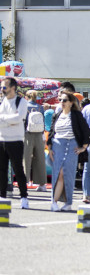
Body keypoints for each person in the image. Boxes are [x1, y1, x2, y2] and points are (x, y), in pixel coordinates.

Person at [47, 90, 90, 211]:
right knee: (58, 174)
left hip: (72, 146)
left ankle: (68, 202)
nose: (61, 102)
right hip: (57, 146)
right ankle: (54, 202)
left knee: (68, 175)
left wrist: (83, 147)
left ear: (71, 102)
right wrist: (49, 147)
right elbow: (51, 131)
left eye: (64, 100)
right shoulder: (57, 114)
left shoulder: (76, 115)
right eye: (60, 100)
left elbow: (86, 131)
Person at [0, 77, 30, 209]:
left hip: (16, 140)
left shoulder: (21, 101)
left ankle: (24, 196)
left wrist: (3, 120)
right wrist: (9, 120)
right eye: (1, 87)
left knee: (18, 169)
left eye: (4, 87)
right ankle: (2, 196)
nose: (2, 89)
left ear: (13, 88)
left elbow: (19, 118)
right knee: (2, 170)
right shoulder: (2, 101)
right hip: (2, 139)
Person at [23, 90, 47, 189]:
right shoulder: (41, 107)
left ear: (26, 96)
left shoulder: (25, 106)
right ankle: (42, 184)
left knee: (26, 159)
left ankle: (24, 182)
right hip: (39, 134)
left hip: (27, 133)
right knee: (40, 158)